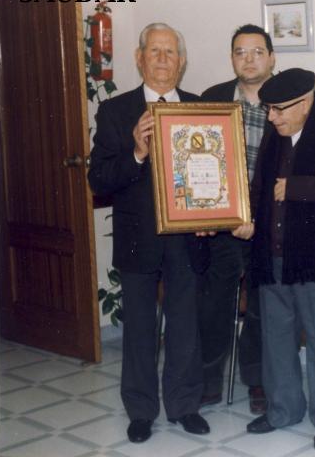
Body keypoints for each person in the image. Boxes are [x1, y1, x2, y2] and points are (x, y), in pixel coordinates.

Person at [88, 23, 210, 443]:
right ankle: (140, 411)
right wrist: (137, 153)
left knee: (184, 324)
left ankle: (184, 405)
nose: (162, 59)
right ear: (139, 59)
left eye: (170, 52)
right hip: (139, 238)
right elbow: (99, 179)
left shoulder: (200, 109)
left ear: (182, 61)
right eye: (154, 51)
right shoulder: (115, 112)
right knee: (139, 327)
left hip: (188, 239)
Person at [241, 68, 315, 450]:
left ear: (305, 103)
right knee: (276, 338)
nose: (272, 117)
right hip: (272, 255)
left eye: (278, 110)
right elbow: (260, 186)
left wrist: (296, 188)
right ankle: (282, 410)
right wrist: (247, 218)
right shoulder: (273, 136)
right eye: (269, 109)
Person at [197, 24, 275, 413]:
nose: (249, 59)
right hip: (219, 224)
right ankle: (209, 378)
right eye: (240, 52)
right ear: (232, 59)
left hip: (266, 224)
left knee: (262, 304)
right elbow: (193, 163)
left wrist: (257, 217)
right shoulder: (210, 98)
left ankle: (258, 380)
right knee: (214, 302)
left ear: (271, 58)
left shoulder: (289, 99)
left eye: (257, 52)